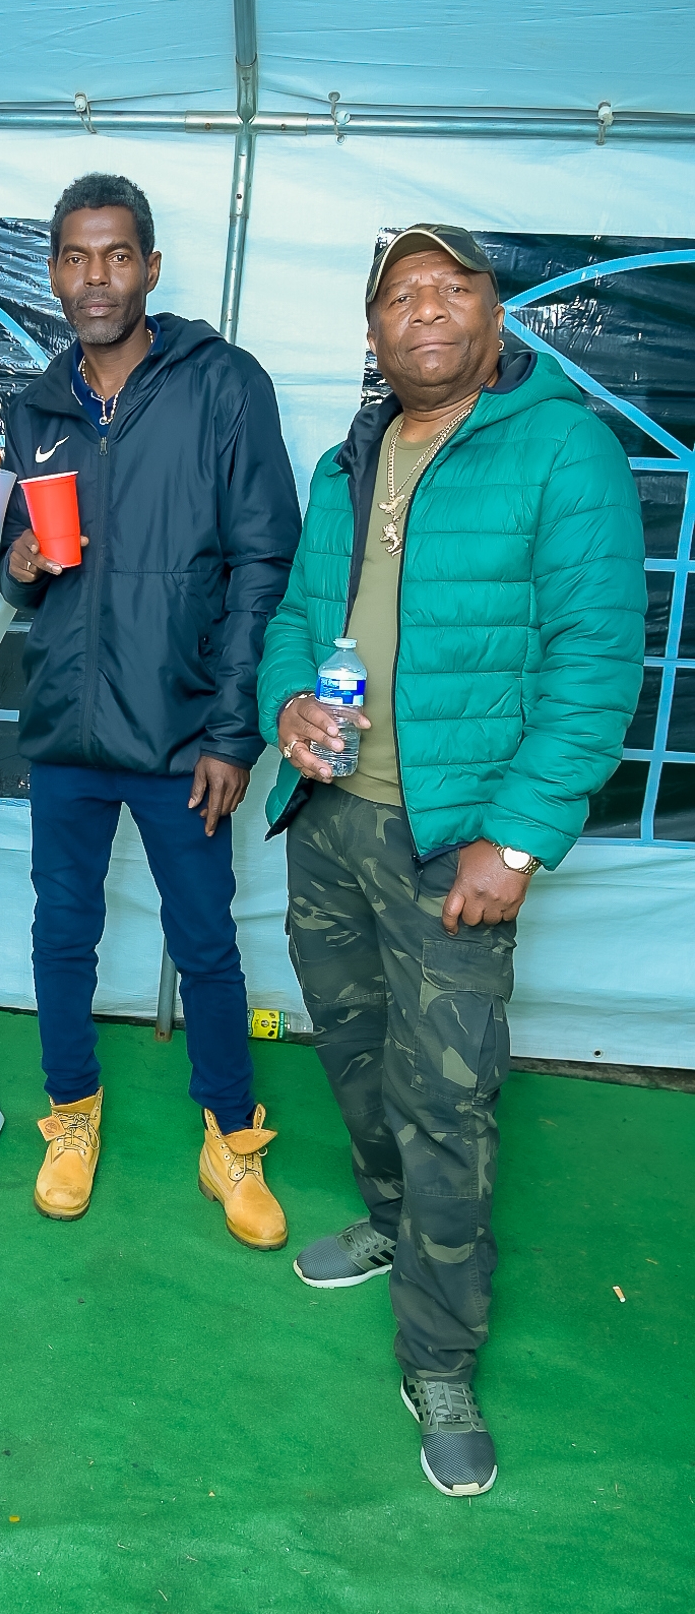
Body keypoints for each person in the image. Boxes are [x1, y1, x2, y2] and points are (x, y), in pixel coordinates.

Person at [257, 224, 646, 1496]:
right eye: (398, 294)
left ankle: (438, 1355)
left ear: (495, 315)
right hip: (331, 821)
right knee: (355, 1050)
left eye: (450, 286)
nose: (423, 308)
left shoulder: (561, 450)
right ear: (372, 332)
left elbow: (596, 660)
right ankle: (387, 1219)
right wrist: (283, 710)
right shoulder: (349, 457)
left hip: (454, 844)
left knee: (448, 1096)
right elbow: (296, 618)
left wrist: (518, 838)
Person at [0, 173, 301, 1242]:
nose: (96, 278)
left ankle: (231, 1136)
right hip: (67, 729)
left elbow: (264, 564)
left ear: (151, 268)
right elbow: (18, 567)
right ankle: (70, 1114)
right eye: (76, 258)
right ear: (53, 273)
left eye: (117, 255)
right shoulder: (37, 405)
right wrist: (19, 563)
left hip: (181, 736)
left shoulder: (223, 384)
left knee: (206, 942)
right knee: (60, 933)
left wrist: (233, 731)